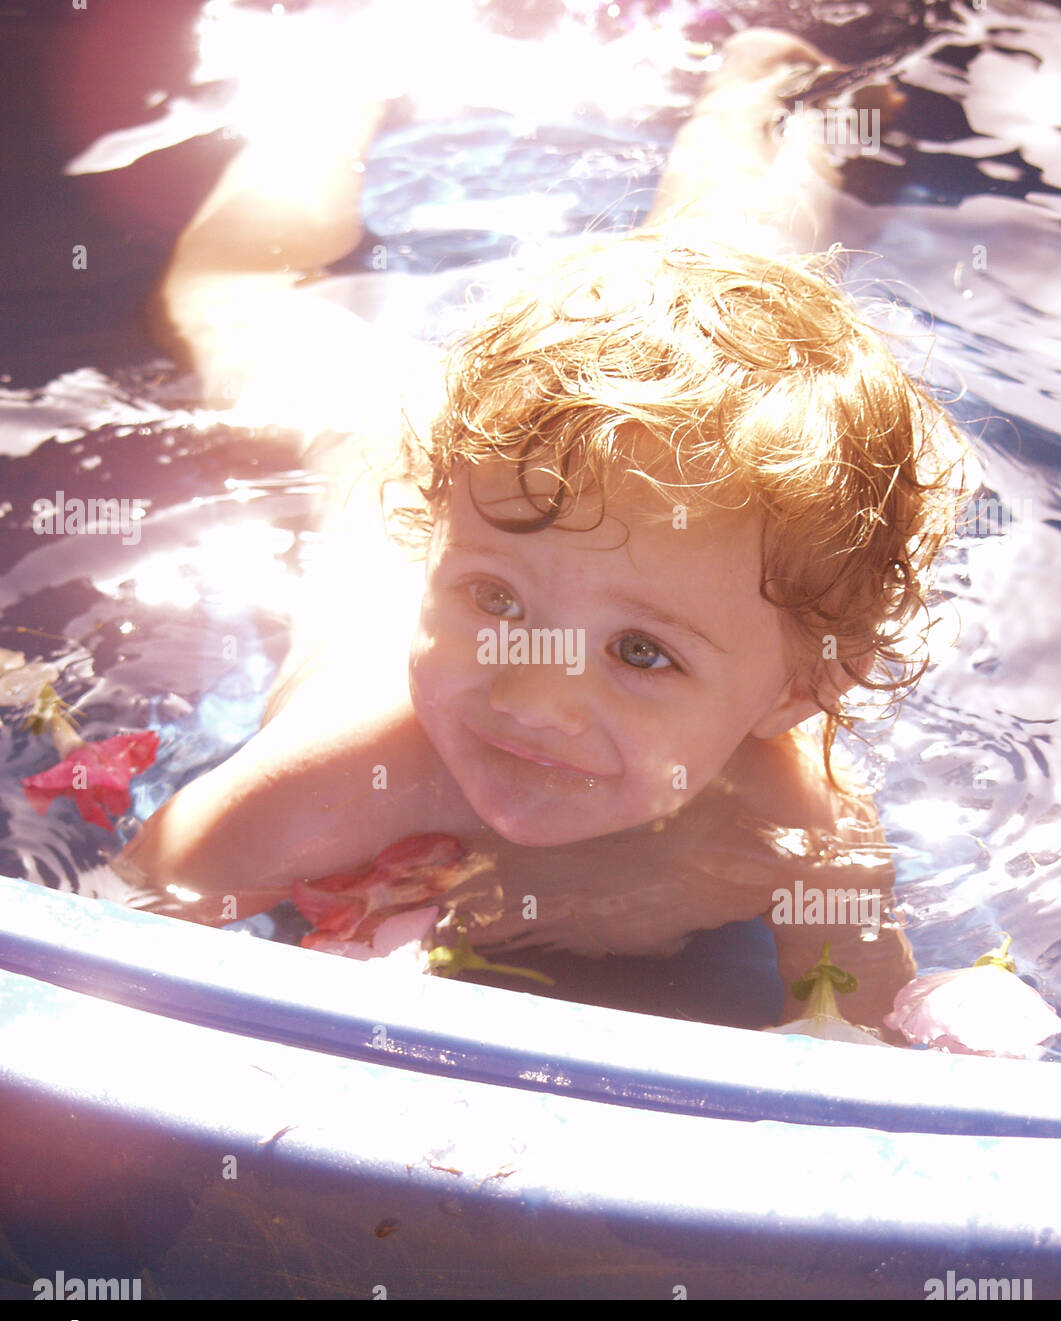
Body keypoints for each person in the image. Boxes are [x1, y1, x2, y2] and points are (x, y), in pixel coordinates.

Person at [116, 27, 970, 1034]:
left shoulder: (802, 830)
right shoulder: (345, 772)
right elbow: (106, 942)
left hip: (550, 497)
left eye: (640, 652)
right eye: (491, 600)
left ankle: (762, 87)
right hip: (390, 445)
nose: (532, 699)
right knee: (233, 291)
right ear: (436, 545)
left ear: (796, 688)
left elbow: (864, 1054)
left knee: (724, 274)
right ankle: (338, 65)